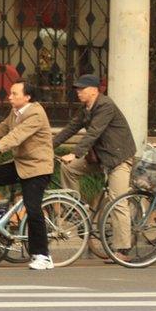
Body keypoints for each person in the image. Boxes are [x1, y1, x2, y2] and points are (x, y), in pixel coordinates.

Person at [0, 80, 55, 270]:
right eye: (10, 93)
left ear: (27, 97)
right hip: (21, 164)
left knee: (33, 209)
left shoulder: (36, 113)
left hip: (37, 168)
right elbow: (2, 129)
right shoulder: (15, 112)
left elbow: (17, 135)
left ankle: (43, 256)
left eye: (14, 94)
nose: (10, 97)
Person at [52, 74, 136, 261]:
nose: (78, 92)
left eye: (82, 89)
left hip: (118, 159)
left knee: (118, 201)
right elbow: (70, 129)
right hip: (101, 158)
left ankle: (123, 250)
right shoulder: (86, 108)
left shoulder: (105, 105)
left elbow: (94, 132)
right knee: (69, 169)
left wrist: (75, 153)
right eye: (77, 89)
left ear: (94, 90)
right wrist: (47, 146)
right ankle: (77, 210)